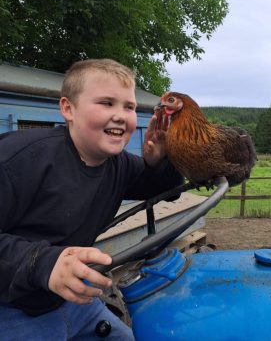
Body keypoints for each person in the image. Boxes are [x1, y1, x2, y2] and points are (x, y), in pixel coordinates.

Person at [0, 59, 184, 340]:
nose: (121, 115)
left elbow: (163, 190)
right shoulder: (19, 160)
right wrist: (44, 263)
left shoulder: (119, 164)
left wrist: (159, 163)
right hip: (13, 306)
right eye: (106, 103)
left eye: (129, 107)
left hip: (73, 301)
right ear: (67, 109)